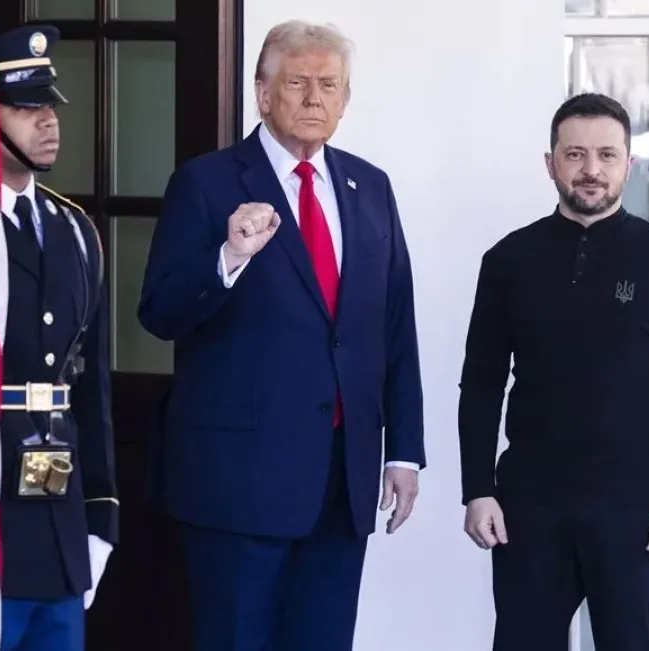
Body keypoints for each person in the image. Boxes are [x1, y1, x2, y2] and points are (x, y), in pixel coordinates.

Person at [138, 19, 425, 651]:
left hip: (342, 477)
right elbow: (158, 312)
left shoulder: (369, 187)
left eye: (330, 85)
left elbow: (393, 327)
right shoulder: (207, 184)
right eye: (297, 82)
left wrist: (402, 451)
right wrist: (228, 258)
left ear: (346, 100)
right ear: (263, 95)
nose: (314, 97)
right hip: (238, 482)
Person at [457, 92, 649, 651]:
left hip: (637, 513)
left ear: (630, 163)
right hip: (529, 507)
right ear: (550, 163)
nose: (591, 170)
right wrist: (478, 489)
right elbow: (480, 383)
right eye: (575, 155)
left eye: (606, 154)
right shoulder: (508, 262)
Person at [0, 24, 118, 651]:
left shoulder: (75, 231)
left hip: (59, 520)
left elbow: (89, 384)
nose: (48, 122)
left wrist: (101, 516)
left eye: (51, 106)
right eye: (25, 106)